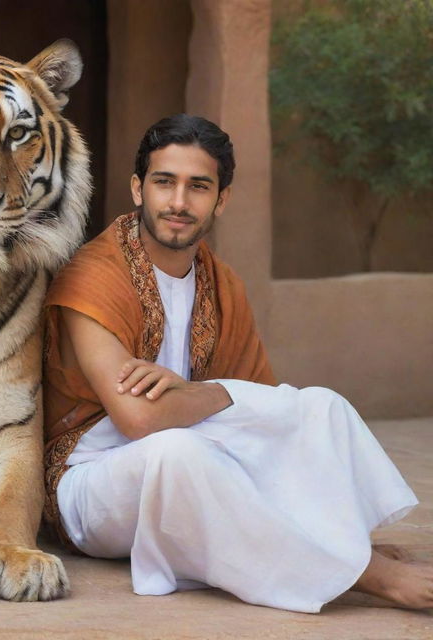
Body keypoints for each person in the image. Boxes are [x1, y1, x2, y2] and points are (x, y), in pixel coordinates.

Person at [42, 114, 433, 612]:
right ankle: (365, 573)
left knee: (317, 406)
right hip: (91, 487)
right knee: (179, 452)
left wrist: (199, 394)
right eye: (164, 183)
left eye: (198, 187)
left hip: (190, 451)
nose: (179, 203)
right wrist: (218, 394)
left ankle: (337, 542)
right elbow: (139, 419)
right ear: (138, 189)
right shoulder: (92, 274)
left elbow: (266, 420)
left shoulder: (221, 284)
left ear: (220, 199)